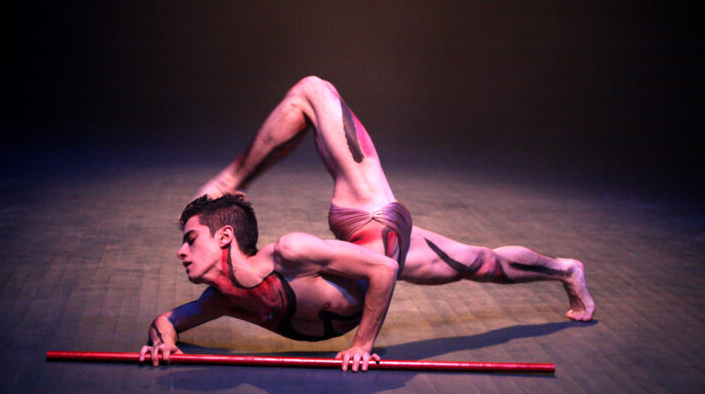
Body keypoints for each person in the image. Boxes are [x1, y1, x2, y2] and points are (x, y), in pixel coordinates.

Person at [139, 76, 595, 371]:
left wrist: (363, 345)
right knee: (483, 263)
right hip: (377, 253)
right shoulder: (223, 300)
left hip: (371, 218)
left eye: (190, 238)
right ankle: (566, 270)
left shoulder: (289, 253)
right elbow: (167, 321)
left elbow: (384, 270)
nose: (180, 251)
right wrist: (162, 342)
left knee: (312, 90)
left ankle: (230, 180)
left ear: (225, 236)